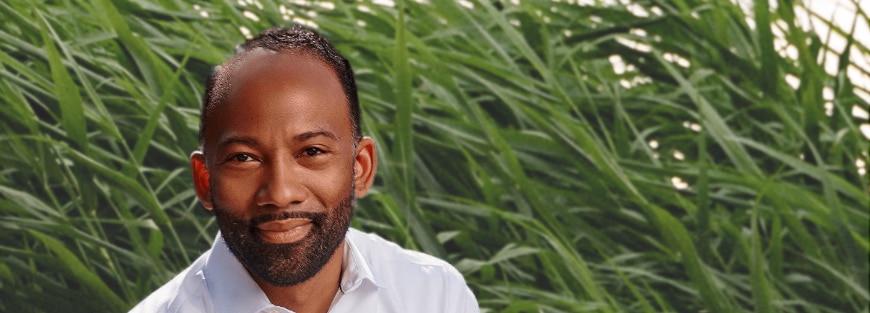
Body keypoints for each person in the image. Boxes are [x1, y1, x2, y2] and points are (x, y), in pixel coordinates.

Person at [130, 25, 479, 313]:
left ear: (360, 167)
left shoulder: (434, 296)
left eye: (312, 151)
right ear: (205, 181)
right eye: (244, 158)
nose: (281, 193)